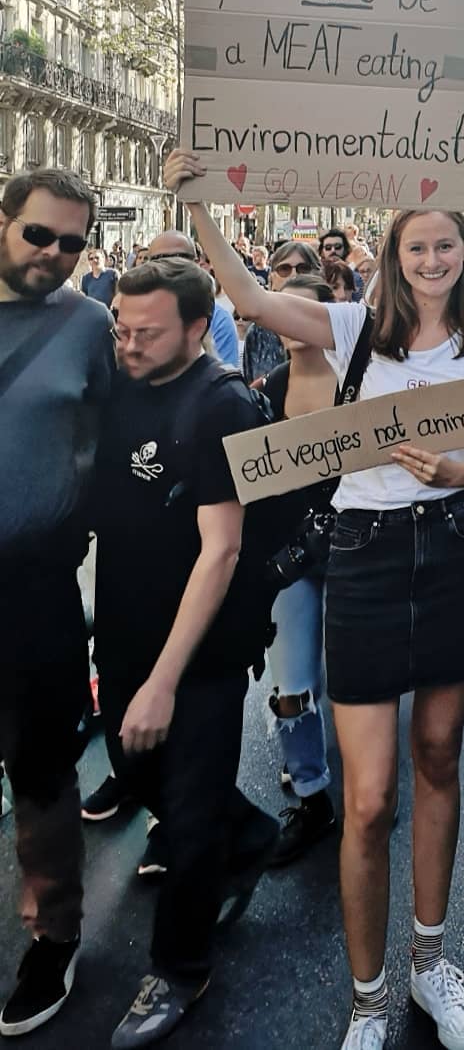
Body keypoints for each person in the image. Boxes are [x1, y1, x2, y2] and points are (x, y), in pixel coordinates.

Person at [163, 147, 464, 1050]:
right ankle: (368, 995)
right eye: (419, 247)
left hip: (451, 552)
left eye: (448, 245)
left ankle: (430, 963)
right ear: (395, 254)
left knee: (439, 757)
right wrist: (202, 201)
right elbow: (249, 301)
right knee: (367, 799)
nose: (435, 259)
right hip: (363, 564)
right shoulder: (349, 323)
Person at [92, 257, 281, 1046]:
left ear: (198, 330)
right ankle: (249, 835)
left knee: (189, 800)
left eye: (147, 333)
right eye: (120, 329)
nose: (129, 344)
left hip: (200, 645)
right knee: (135, 768)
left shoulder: (221, 407)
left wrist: (165, 680)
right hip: (125, 627)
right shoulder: (122, 380)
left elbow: (222, 550)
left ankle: (180, 967)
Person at [0, 169, 114, 1038]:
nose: (56, 256)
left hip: (35, 581)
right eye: (40, 235)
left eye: (72, 243)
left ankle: (55, 933)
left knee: (41, 768)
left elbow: (107, 444)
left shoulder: (90, 326)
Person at [258, 274, 343, 866]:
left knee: (365, 688)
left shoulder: (361, 383)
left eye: (302, 310)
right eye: (280, 309)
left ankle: (370, 787)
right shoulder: (268, 389)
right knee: (292, 690)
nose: (290, 322)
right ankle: (312, 796)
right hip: (292, 559)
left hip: (360, 554)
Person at [144, 232, 239, 367]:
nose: (170, 266)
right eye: (159, 259)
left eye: (179, 258)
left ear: (195, 263)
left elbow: (224, 377)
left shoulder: (218, 318)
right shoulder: (134, 313)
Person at [242, 242, 322, 385]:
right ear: (271, 278)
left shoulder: (330, 325)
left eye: (303, 268)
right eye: (284, 269)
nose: (294, 275)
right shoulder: (257, 333)